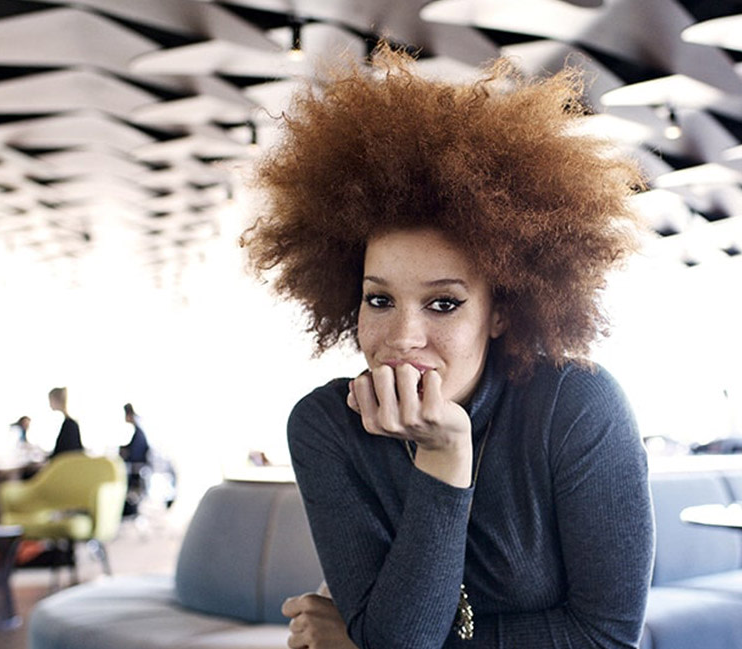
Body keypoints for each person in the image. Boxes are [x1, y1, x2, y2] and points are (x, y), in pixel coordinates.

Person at [243, 45, 654, 648]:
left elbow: (605, 639)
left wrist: (362, 639)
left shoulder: (576, 407)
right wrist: (443, 462)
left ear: (500, 312)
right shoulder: (325, 425)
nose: (402, 338)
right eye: (379, 299)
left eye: (443, 304)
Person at [48, 387, 82, 458]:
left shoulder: (69, 425)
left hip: (64, 466)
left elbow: (63, 452)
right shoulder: (69, 423)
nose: (50, 404)